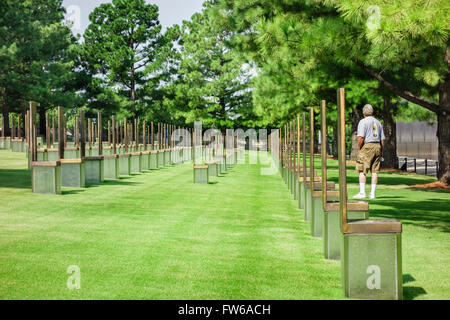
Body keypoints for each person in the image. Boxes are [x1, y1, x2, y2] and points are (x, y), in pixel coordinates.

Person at [353, 104, 385, 199]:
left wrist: (359, 148)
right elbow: (382, 139)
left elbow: (361, 137)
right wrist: (381, 150)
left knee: (362, 169)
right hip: (377, 146)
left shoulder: (363, 122)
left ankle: (362, 193)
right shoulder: (378, 122)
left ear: (363, 113)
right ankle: (372, 193)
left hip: (367, 146)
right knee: (375, 171)